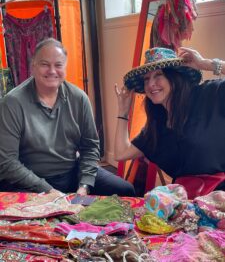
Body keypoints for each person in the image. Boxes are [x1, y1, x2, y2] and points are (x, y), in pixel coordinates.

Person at [0, 38, 135, 196]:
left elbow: (90, 147)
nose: (52, 71)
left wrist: (84, 185)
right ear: (33, 67)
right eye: (44, 64)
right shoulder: (12, 103)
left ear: (65, 68)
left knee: (125, 191)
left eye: (58, 65)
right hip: (29, 181)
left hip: (71, 174)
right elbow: (7, 162)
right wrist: (47, 190)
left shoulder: (79, 98)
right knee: (46, 217)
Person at [114, 47, 225, 193]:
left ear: (174, 77)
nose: (150, 84)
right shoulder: (157, 126)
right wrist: (123, 111)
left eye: (158, 75)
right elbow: (120, 153)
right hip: (185, 202)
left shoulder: (208, 96)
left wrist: (207, 64)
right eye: (146, 79)